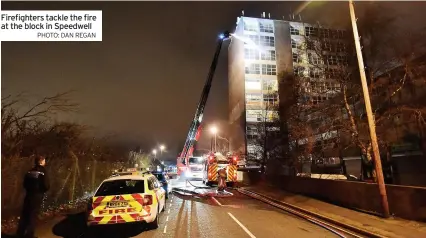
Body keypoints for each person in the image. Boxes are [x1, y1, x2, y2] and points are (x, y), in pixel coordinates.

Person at [16, 155, 50, 238]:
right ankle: (29, 234)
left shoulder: (29, 171)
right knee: (33, 215)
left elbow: (25, 184)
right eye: (44, 161)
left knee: (25, 213)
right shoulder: (43, 171)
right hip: (37, 196)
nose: (45, 162)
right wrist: (42, 191)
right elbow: (46, 185)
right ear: (41, 162)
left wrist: (29, 190)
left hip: (28, 195)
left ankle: (20, 233)